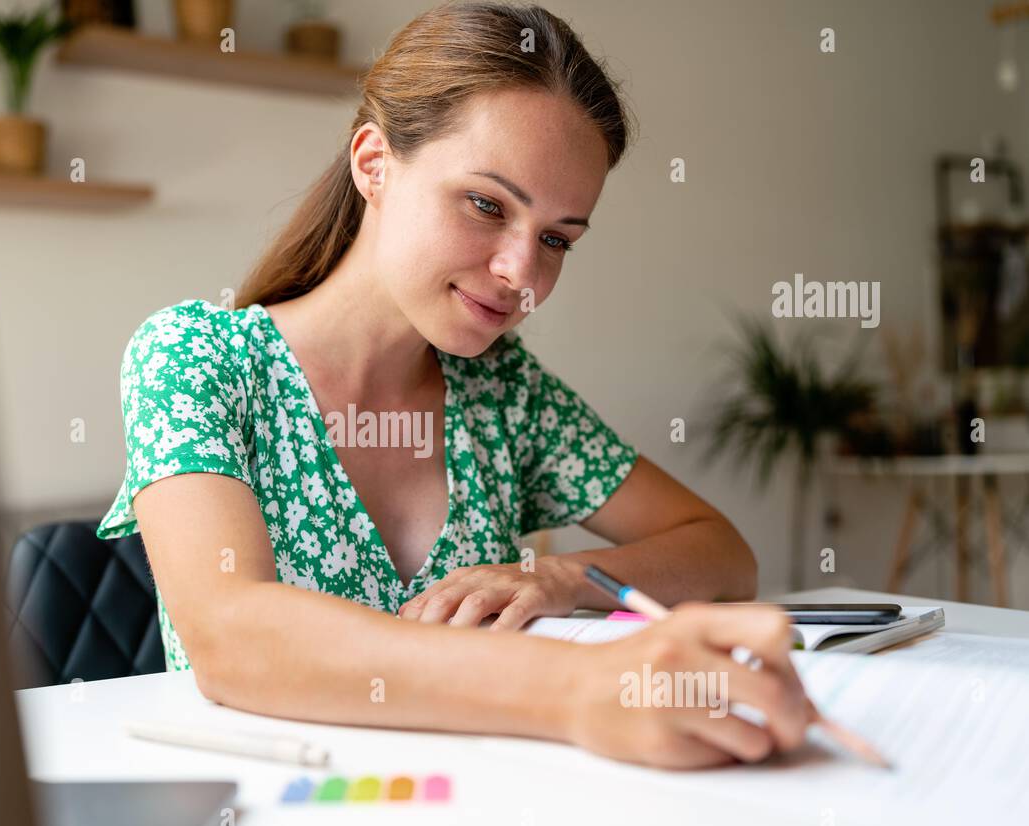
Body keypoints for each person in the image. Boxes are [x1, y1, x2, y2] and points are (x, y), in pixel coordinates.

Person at [97, 1, 814, 769]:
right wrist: (578, 686)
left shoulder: (506, 393)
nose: (521, 273)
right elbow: (230, 635)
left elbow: (723, 553)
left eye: (556, 239)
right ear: (373, 163)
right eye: (486, 204)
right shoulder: (195, 358)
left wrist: (560, 578)